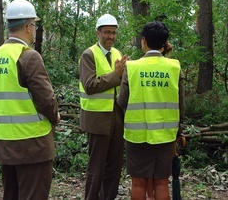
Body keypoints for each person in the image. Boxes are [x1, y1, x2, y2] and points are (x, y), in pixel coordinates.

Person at [0, 0, 60, 200]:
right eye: (34, 25)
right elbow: (46, 101)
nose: (34, 30)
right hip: (31, 146)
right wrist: (56, 117)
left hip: (3, 144)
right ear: (27, 26)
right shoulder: (28, 57)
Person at [117, 21, 185, 200]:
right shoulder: (174, 67)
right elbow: (181, 106)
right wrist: (179, 131)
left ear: (144, 41)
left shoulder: (132, 68)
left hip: (136, 136)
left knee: (138, 182)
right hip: (166, 135)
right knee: (161, 182)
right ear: (164, 42)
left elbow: (122, 101)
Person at [79, 14, 129, 200]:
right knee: (96, 167)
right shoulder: (88, 54)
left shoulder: (116, 53)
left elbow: (121, 84)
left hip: (116, 116)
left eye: (114, 33)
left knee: (114, 167)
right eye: (107, 32)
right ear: (98, 33)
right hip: (97, 118)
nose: (111, 37)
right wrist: (116, 74)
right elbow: (90, 85)